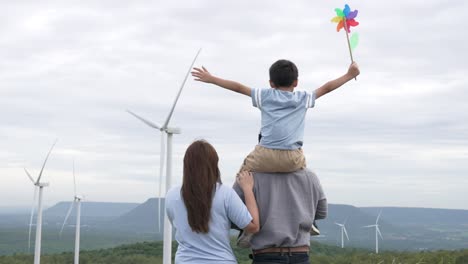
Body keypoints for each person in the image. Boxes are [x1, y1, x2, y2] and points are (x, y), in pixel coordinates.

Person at [192, 60, 359, 243]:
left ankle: (243, 225)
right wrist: (349, 75)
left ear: (271, 83)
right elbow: (326, 88)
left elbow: (238, 88)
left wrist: (211, 78)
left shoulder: (265, 96)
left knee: (243, 175)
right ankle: (310, 221)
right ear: (296, 82)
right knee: (305, 178)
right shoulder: (303, 98)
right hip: (293, 157)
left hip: (265, 155)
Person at [165, 140, 260, 264]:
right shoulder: (225, 193)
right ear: (214, 164)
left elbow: (179, 226)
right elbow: (253, 226)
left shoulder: (172, 195)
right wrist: (247, 189)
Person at [233, 169, 327, 264]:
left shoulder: (247, 177)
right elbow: (322, 213)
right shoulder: (310, 176)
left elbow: (233, 217)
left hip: (266, 256)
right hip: (300, 255)